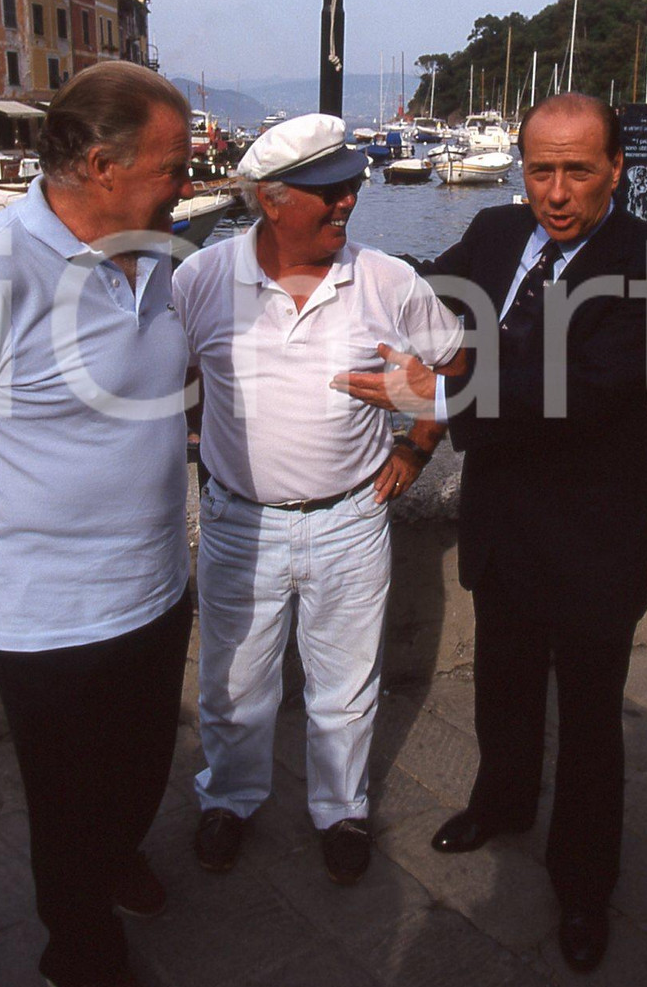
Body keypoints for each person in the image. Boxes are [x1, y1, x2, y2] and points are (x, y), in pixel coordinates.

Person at [331, 93, 647, 973]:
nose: (559, 192)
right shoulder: (498, 234)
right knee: (501, 681)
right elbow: (428, 290)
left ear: (616, 169)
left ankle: (582, 884)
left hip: (592, 535)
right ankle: (500, 804)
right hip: (501, 518)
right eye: (542, 169)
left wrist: (438, 398)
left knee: (586, 721)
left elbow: (584, 389)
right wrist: (331, 268)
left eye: (580, 170)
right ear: (519, 167)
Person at [0, 61, 197, 987]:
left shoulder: (157, 248)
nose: (188, 177)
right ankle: (79, 953)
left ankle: (114, 850)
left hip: (153, 578)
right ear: (100, 165)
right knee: (68, 793)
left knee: (141, 763)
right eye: (173, 163)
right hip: (46, 607)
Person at [172, 113, 464, 886]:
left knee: (345, 686)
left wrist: (417, 436)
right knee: (232, 686)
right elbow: (167, 384)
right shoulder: (200, 279)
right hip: (239, 522)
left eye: (353, 187)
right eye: (329, 191)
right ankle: (229, 798)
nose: (348, 204)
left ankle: (341, 810)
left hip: (350, 520)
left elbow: (455, 362)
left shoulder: (387, 280)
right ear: (271, 200)